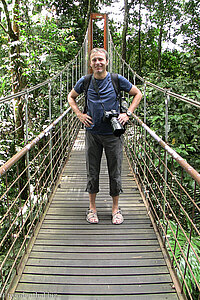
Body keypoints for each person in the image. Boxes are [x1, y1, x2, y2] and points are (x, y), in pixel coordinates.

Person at [68, 48, 142, 225]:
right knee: (92, 172)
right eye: (94, 60)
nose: (97, 63)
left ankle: (115, 209)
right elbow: (71, 97)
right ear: (90, 63)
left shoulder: (116, 80)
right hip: (92, 133)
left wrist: (128, 114)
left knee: (114, 172)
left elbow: (138, 93)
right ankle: (92, 208)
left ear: (107, 62)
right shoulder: (85, 81)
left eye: (101, 59)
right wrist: (79, 114)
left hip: (113, 135)